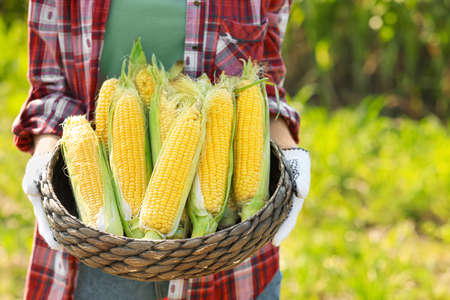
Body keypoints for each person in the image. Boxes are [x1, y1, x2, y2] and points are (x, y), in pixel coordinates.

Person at [13, 0, 311, 299]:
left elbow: (265, 86)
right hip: (96, 252)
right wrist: (44, 154)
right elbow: (50, 89)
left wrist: (290, 152)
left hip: (231, 254)